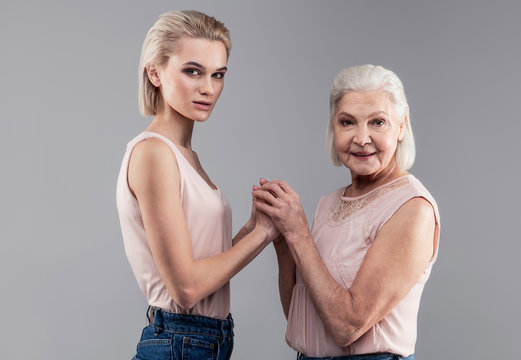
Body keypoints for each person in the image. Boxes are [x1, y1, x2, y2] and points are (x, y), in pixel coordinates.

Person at [116, 10, 277, 360]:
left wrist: (255, 227)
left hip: (205, 341)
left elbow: (205, 265)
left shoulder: (185, 155)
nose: (208, 88)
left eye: (218, 75)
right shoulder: (154, 154)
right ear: (154, 72)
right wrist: (263, 234)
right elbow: (187, 289)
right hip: (180, 341)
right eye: (193, 71)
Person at [253, 64, 440, 360]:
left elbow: (347, 326)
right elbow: (300, 316)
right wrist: (283, 242)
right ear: (333, 126)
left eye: (378, 122)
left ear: (401, 125)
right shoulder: (329, 202)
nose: (361, 138)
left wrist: (298, 231)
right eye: (347, 122)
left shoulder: (412, 207)